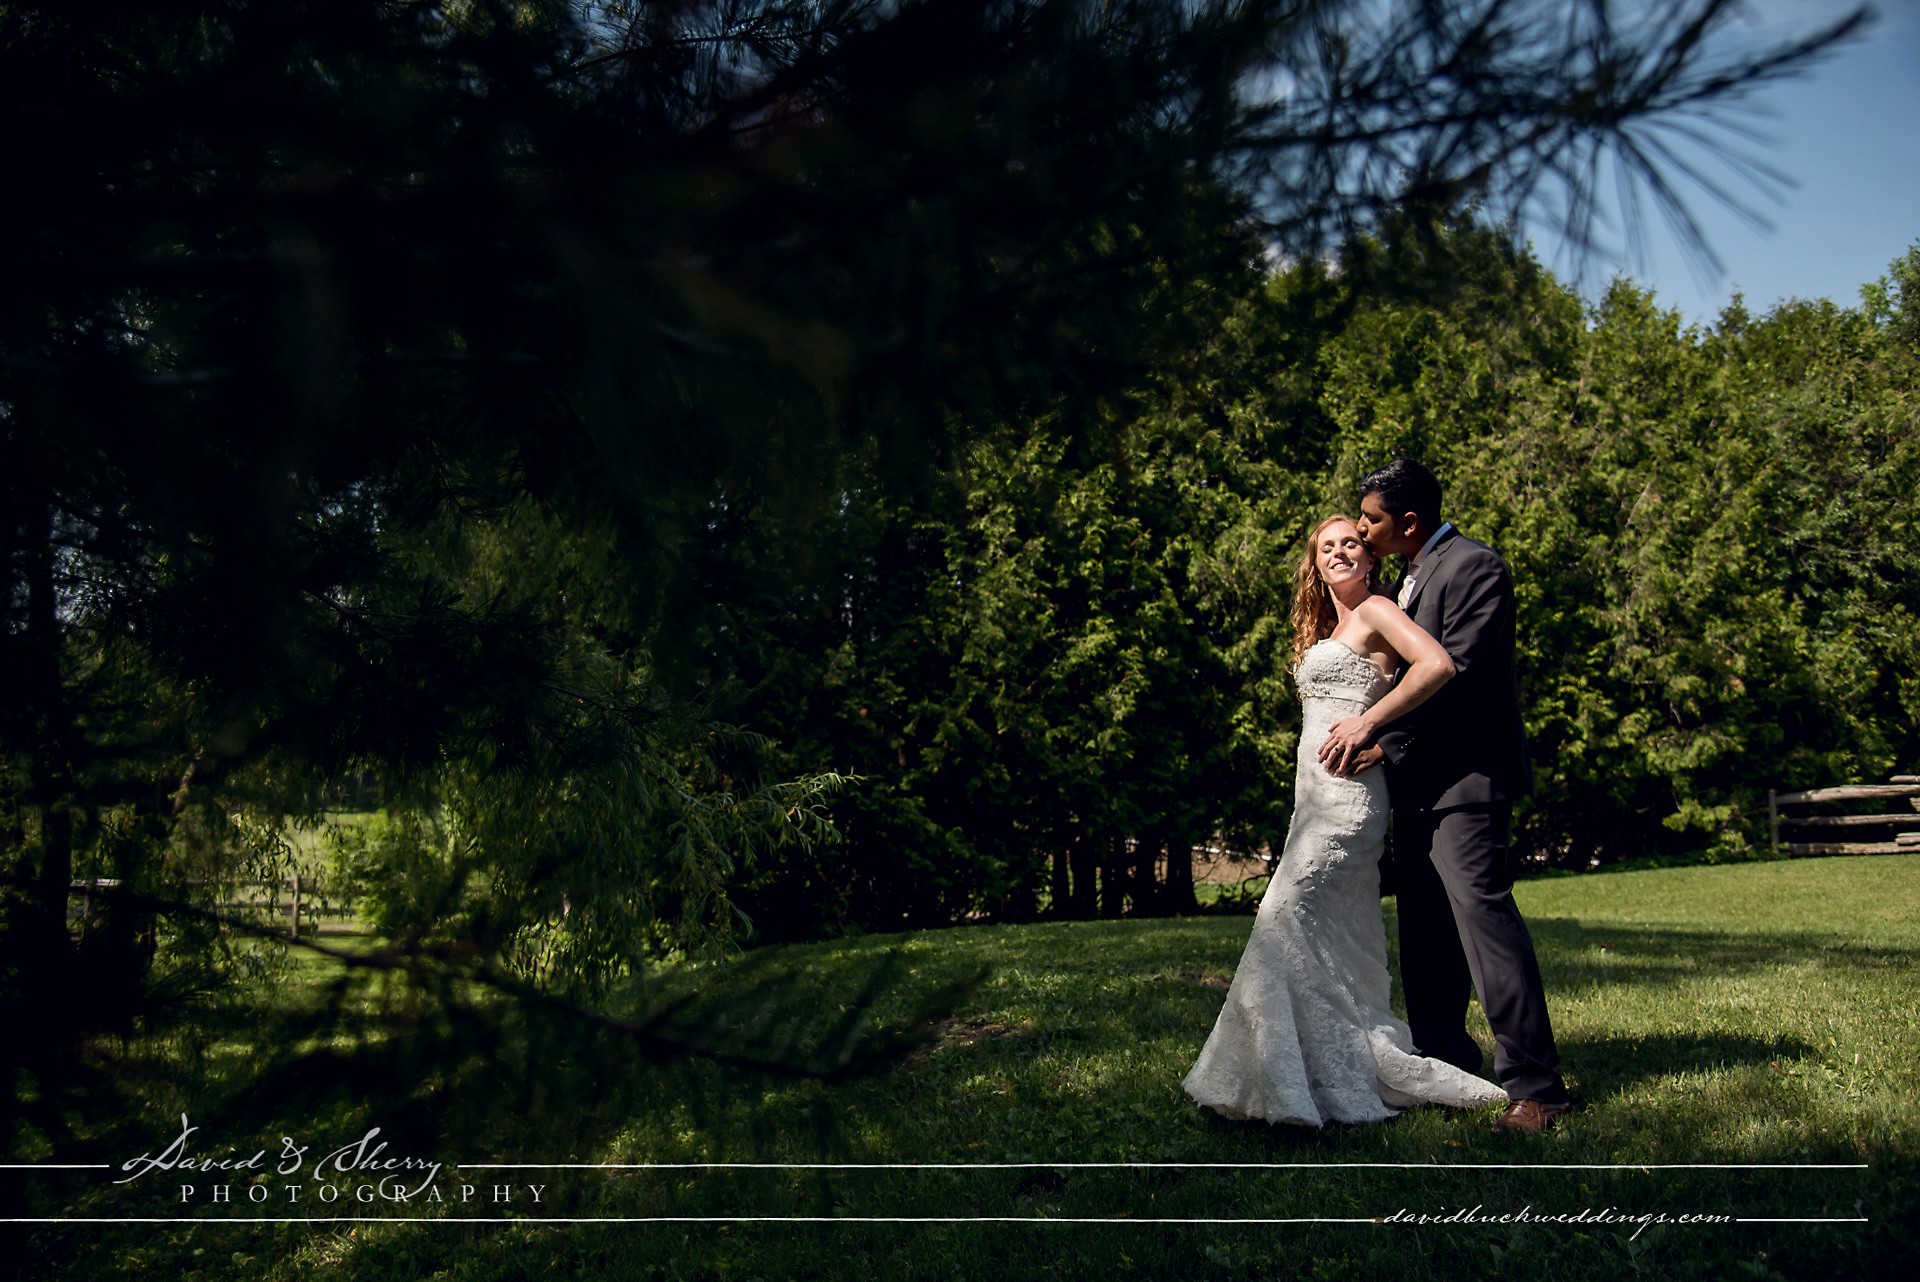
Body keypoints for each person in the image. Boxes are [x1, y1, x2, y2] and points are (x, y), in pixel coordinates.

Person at [1182, 515, 1509, 1126]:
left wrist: (1369, 723)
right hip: (1311, 800)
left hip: (1351, 797)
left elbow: (1436, 666)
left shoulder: (1380, 609)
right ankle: (1306, 1071)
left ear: (1369, 558)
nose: (1338, 552)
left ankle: (1280, 1081)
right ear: (1315, 562)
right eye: (1326, 546)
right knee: (1323, 932)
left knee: (1284, 916)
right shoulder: (1328, 627)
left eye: (1350, 543)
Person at [1320, 459, 1571, 1132]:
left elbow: (1454, 677)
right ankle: (1442, 1060)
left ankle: (1538, 1087)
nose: (1363, 528)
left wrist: (1380, 740)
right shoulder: (1409, 575)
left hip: (1467, 778)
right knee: (1428, 933)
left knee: (1484, 925)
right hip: (1418, 781)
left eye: (1370, 518)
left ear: (1408, 521)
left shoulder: (1475, 568)